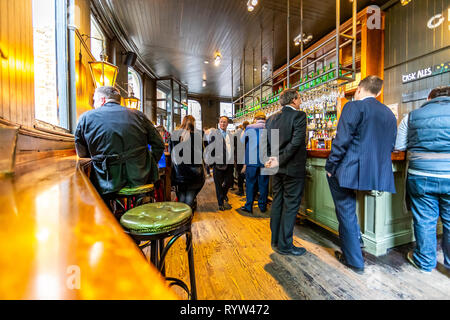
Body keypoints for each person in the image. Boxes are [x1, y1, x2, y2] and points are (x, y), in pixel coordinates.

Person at [325, 76, 397, 274]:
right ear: (379, 92)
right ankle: (356, 241)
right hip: (376, 173)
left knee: (346, 210)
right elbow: (391, 145)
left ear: (358, 90)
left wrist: (330, 166)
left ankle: (354, 259)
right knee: (350, 208)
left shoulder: (353, 106)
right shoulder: (389, 114)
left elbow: (341, 141)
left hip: (349, 170)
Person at [394, 86, 450, 273]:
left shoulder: (411, 116)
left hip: (421, 175)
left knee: (425, 220)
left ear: (428, 98)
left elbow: (399, 146)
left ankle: (425, 262)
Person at [75, 86, 165, 198]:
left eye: (94, 100)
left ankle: (108, 214)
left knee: (101, 201)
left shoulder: (85, 118)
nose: (94, 104)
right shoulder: (138, 115)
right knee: (141, 200)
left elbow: (82, 154)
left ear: (102, 100)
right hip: (140, 178)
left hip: (106, 182)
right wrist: (147, 162)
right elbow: (159, 144)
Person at [264, 89, 308, 256]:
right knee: (290, 206)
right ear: (294, 100)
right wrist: (281, 159)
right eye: (300, 97)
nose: (301, 101)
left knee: (277, 202)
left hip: (276, 168)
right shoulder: (299, 116)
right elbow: (296, 143)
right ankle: (285, 245)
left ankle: (275, 240)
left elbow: (268, 144)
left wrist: (273, 160)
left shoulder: (271, 119)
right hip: (292, 168)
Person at [169, 115, 205, 211]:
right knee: (190, 194)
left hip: (179, 171)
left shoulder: (174, 135)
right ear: (193, 123)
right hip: (194, 170)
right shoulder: (197, 135)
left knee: (181, 195)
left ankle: (181, 219)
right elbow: (201, 153)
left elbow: (171, 152)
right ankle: (187, 216)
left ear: (183, 122)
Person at [238, 112, 269, 214]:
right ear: (265, 118)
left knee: (250, 184)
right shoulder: (270, 126)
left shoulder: (250, 127)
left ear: (255, 118)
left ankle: (249, 206)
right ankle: (262, 207)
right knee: (263, 185)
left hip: (251, 160)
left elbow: (242, 141)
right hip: (265, 161)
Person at [207, 116, 234, 211]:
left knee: (229, 182)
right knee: (218, 185)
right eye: (221, 122)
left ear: (227, 124)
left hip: (229, 164)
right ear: (219, 123)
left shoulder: (230, 134)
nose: (223, 123)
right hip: (218, 164)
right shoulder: (214, 134)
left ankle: (223, 194)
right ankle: (220, 203)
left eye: (225, 122)